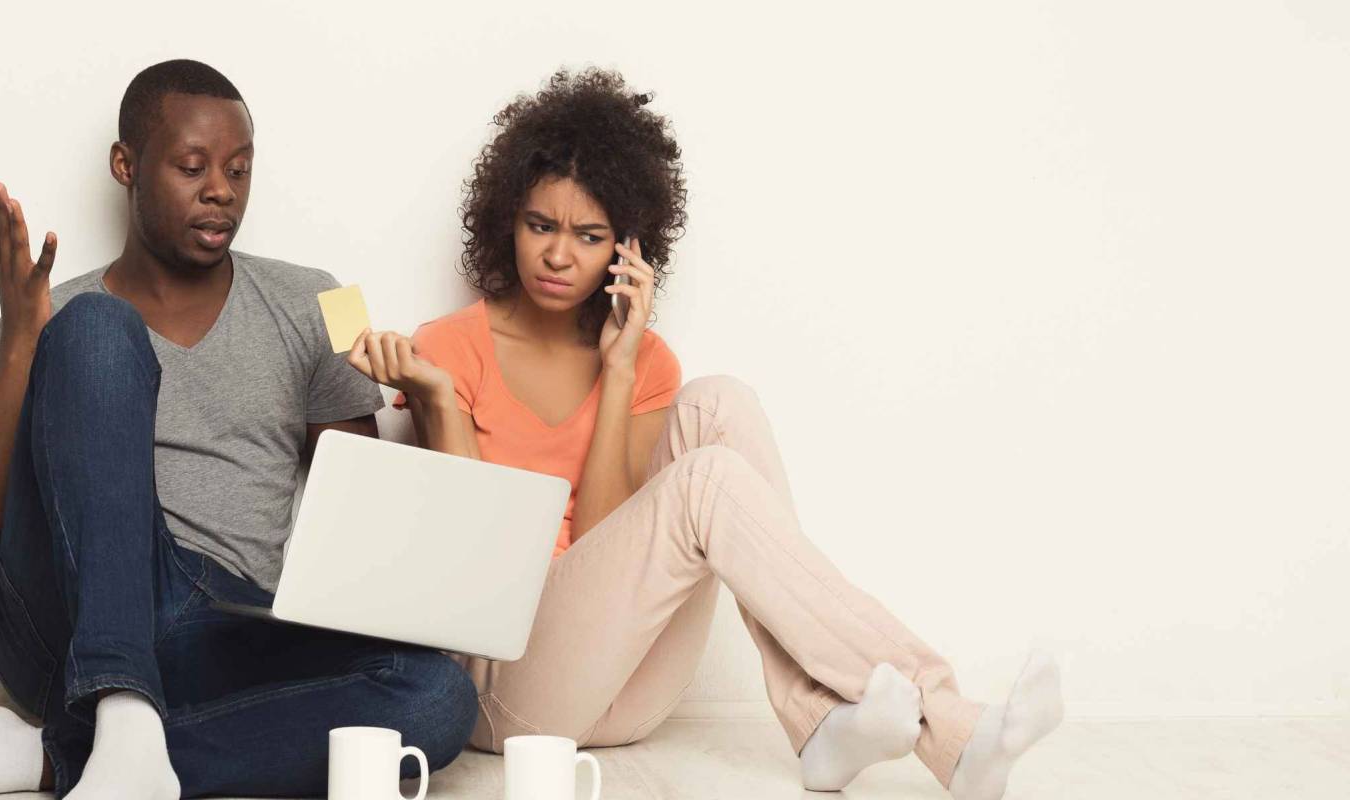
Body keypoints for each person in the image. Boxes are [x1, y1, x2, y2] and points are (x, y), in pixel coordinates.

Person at [347, 67, 1063, 800]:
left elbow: (606, 538)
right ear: (509, 221)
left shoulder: (644, 361)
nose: (559, 256)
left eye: (588, 236)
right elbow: (474, 584)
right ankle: (948, 723)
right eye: (541, 226)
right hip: (506, 691)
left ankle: (815, 718)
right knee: (706, 481)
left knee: (721, 403)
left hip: (626, 687)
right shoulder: (451, 348)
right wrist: (437, 401)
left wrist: (619, 372)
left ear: (627, 250)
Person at [0, 59, 477, 800]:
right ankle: (119, 704)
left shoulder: (320, 298)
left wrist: (427, 403)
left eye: (239, 169)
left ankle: (55, 757)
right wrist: (20, 348)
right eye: (192, 166)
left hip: (224, 632)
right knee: (98, 326)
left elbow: (355, 545)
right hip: (66, 631)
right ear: (126, 166)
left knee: (438, 698)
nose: (221, 189)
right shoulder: (50, 314)